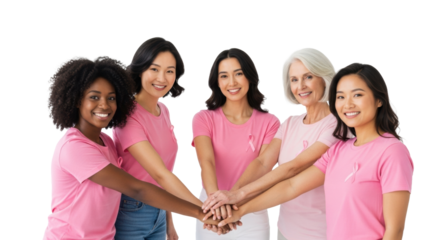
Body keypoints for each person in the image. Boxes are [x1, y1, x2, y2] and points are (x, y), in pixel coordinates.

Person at [217, 62, 415, 240]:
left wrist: (238, 197)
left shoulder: (393, 152)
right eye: (340, 96)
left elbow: (395, 231)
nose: (348, 104)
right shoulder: (338, 149)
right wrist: (239, 210)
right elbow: (291, 187)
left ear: (379, 100)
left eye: (358, 95)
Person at [42, 55, 219, 240]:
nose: (104, 104)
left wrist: (170, 218)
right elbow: (137, 188)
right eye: (94, 97)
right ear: (76, 100)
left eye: (111, 98)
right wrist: (201, 213)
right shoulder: (73, 147)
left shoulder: (106, 141)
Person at [203, 47, 339, 239]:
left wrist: (237, 198)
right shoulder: (290, 122)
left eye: (308, 77)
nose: (301, 86)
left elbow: (294, 168)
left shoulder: (337, 125)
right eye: (294, 79)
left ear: (324, 79)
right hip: (284, 230)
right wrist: (230, 198)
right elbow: (263, 162)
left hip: (319, 232)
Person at [191, 47, 281, 239]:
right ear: (217, 81)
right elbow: (206, 161)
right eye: (224, 76)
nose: (232, 82)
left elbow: (263, 165)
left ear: (249, 76)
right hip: (211, 208)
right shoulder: (203, 118)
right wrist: (218, 204)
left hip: (252, 209)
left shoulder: (271, 122)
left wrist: (230, 198)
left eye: (238, 74)